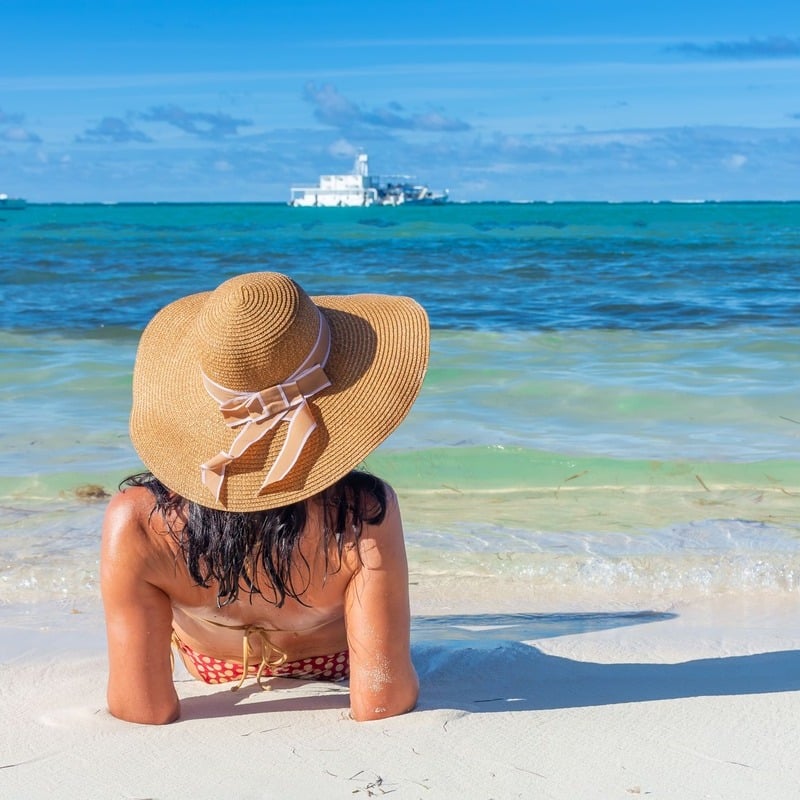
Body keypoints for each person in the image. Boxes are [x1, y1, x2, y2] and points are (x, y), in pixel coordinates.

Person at [101, 271, 429, 724]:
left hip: (213, 668)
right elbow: (383, 700)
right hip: (336, 665)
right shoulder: (360, 513)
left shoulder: (136, 519)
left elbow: (142, 708)